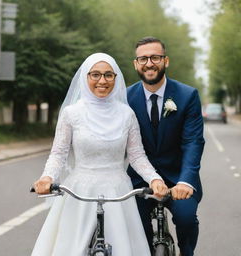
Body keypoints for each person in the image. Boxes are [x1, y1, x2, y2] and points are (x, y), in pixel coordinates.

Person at [31, 53, 169, 256]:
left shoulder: (126, 114)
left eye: (108, 75)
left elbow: (137, 156)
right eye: (95, 74)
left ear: (116, 78)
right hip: (79, 191)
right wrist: (46, 178)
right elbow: (58, 154)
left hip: (118, 191)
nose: (102, 81)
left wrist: (155, 180)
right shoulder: (71, 113)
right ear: (85, 78)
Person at [127, 37, 205, 256]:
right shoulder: (124, 98)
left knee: (186, 218)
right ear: (136, 63)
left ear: (166, 61)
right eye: (143, 58)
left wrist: (186, 181)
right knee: (133, 223)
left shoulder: (187, 95)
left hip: (178, 177)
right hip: (139, 178)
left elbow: (193, 142)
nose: (149, 63)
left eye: (155, 57)